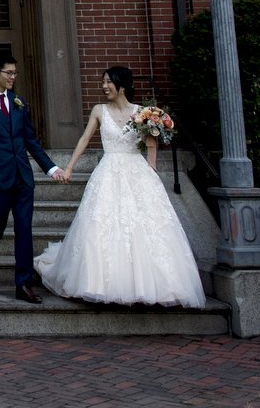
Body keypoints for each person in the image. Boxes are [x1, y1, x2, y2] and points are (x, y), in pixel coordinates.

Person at [34, 65, 206, 307]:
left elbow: (151, 142)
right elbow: (85, 138)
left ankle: (152, 285)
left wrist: (152, 169)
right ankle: (97, 283)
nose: (104, 86)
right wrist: (70, 167)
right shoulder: (98, 110)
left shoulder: (143, 113)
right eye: (102, 82)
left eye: (108, 82)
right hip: (108, 170)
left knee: (146, 228)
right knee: (101, 225)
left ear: (122, 86)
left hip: (137, 171)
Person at [0, 51, 62, 303]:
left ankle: (24, 283)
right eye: (9, 73)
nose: (13, 77)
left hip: (22, 177)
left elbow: (30, 139)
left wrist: (51, 168)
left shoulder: (18, 101)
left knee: (24, 228)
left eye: (15, 73)